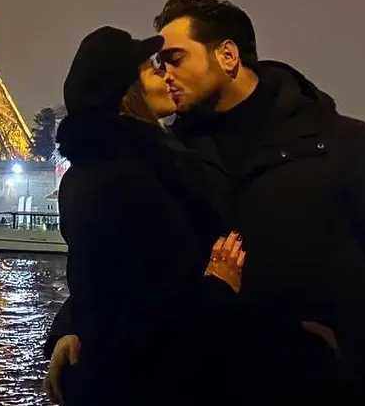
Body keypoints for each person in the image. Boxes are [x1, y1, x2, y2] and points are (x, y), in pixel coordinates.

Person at [153, 0, 365, 403]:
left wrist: (353, 352)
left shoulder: (345, 143)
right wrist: (72, 327)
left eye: (175, 58)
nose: (163, 73)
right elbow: (129, 259)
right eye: (159, 63)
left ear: (227, 55)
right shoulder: (170, 157)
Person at [46, 25, 245, 405]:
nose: (166, 74)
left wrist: (70, 328)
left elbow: (100, 286)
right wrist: (219, 286)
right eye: (155, 68)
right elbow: (149, 309)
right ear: (127, 92)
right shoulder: (137, 178)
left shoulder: (94, 171)